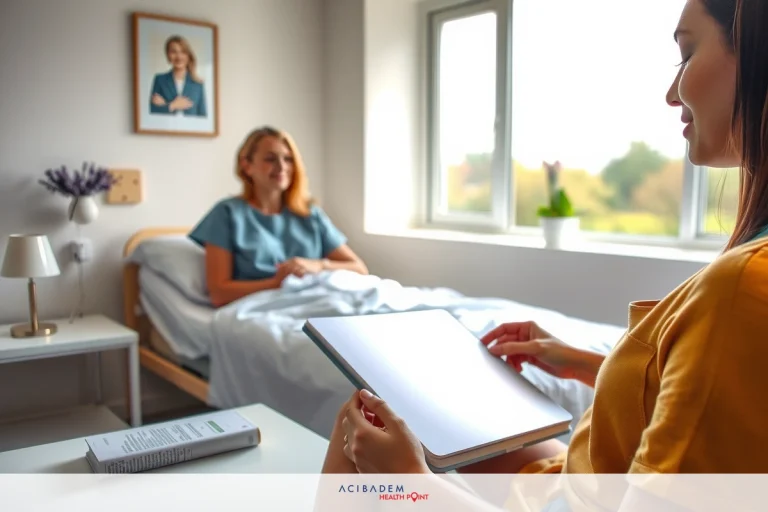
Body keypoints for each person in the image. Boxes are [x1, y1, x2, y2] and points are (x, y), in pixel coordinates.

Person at [321, 0, 768, 485]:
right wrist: (579, 360)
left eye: (686, 54)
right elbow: (700, 397)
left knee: (362, 420)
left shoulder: (742, 285)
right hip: (578, 477)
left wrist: (415, 480)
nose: (670, 92)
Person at [189, 126, 368, 307]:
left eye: (288, 159)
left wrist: (318, 265)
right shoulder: (227, 214)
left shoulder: (310, 214)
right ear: (246, 165)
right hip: (266, 307)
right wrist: (276, 284)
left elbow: (359, 269)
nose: (282, 167)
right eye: (270, 159)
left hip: (319, 300)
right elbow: (220, 294)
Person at [149, 35, 206, 117]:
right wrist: (172, 105)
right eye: (174, 52)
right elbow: (153, 111)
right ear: (168, 55)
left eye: (183, 52)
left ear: (188, 56)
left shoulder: (197, 84)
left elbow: (202, 116)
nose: (179, 57)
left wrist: (165, 104)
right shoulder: (160, 80)